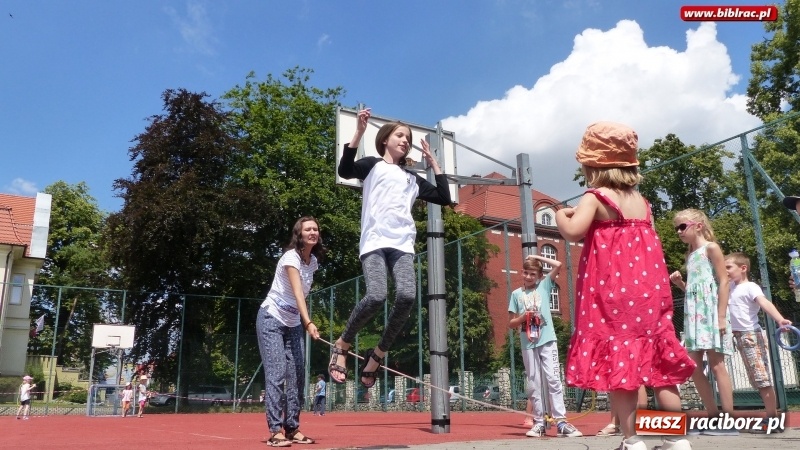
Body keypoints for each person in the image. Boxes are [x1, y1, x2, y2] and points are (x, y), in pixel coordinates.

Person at [556, 122, 696, 450]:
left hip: (612, 296)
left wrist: (561, 214)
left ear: (593, 166)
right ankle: (676, 441)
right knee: (661, 370)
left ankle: (632, 441)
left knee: (622, 371)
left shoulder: (595, 197)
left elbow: (573, 231)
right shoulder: (642, 202)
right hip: (649, 294)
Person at [330, 108, 452, 387]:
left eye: (408, 138)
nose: (405, 140)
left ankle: (377, 355)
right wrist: (359, 132)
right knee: (376, 295)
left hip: (402, 245)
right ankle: (343, 343)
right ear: (385, 139)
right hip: (374, 241)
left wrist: (434, 163)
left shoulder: (412, 179)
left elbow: (444, 197)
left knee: (407, 296)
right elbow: (344, 170)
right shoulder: (373, 165)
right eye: (400, 135)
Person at [256, 216, 324, 447]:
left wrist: (301, 321)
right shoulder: (290, 257)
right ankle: (275, 431)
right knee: (277, 373)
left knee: (297, 374)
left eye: (315, 229)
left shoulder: (313, 262)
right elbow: (297, 293)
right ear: (299, 234)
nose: (312, 232)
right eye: (308, 229)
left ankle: (292, 428)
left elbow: (303, 296)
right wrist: (309, 322)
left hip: (293, 322)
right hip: (271, 318)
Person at [669, 208, 737, 436]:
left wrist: (721, 316)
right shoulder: (690, 255)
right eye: (677, 228)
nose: (679, 232)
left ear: (698, 226)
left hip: (711, 312)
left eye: (682, 226)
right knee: (694, 366)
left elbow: (723, 282)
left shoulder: (711, 248)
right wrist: (680, 284)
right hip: (694, 314)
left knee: (717, 364)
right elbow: (695, 291)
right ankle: (713, 416)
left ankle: (728, 421)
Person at [508, 254, 582, 438]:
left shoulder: (544, 286)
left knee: (553, 380)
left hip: (547, 340)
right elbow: (511, 323)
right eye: (526, 272)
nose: (528, 277)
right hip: (528, 343)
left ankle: (561, 422)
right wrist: (523, 317)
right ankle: (539, 423)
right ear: (522, 272)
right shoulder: (516, 294)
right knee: (534, 383)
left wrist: (535, 256)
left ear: (540, 276)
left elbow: (558, 264)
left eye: (533, 274)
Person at [725, 252, 791, 432]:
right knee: (757, 379)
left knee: (762, 379)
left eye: (729, 267)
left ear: (743, 268)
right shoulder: (729, 287)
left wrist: (780, 319)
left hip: (750, 336)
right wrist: (683, 285)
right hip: (738, 336)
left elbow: (764, 303)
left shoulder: (750, 287)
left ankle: (773, 419)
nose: (725, 271)